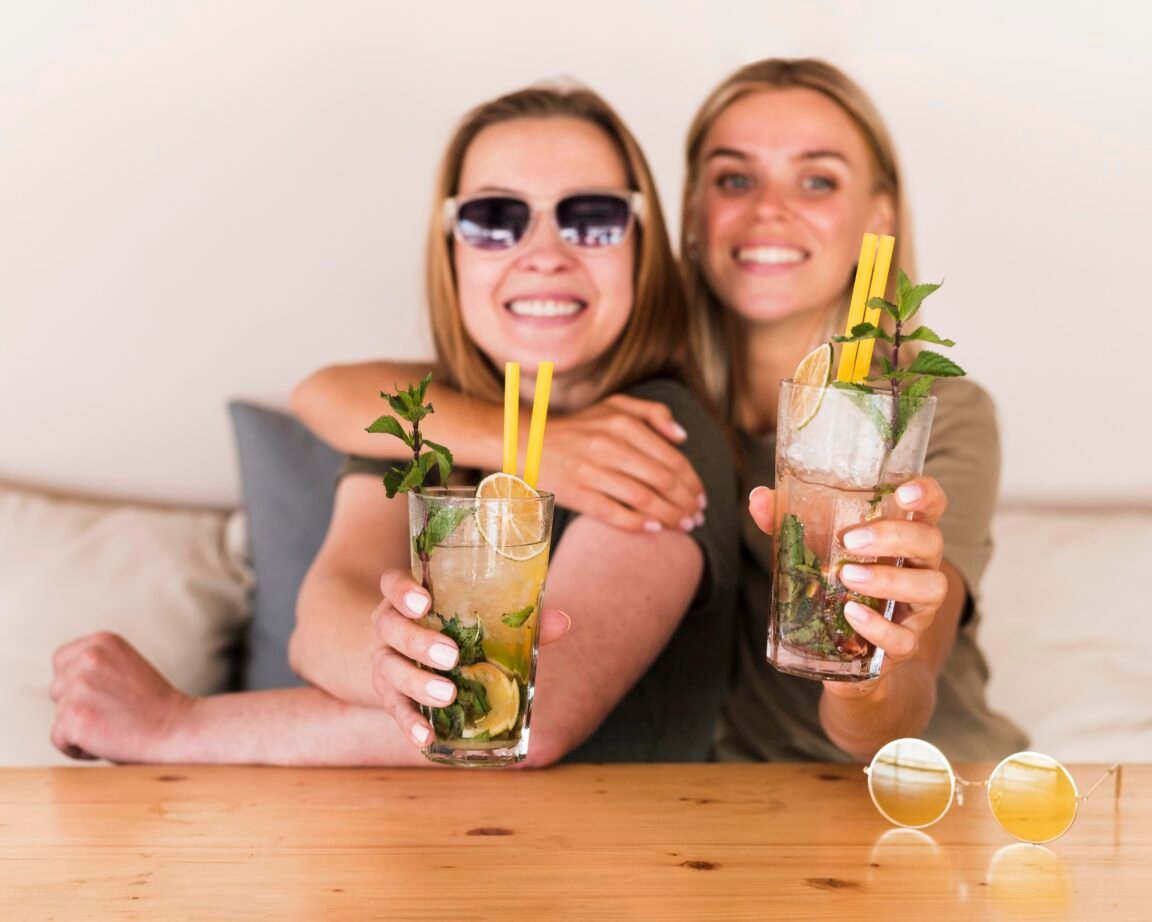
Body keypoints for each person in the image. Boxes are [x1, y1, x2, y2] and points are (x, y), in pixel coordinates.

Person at [294, 59, 1026, 764]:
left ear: (879, 216)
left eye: (817, 179)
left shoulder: (926, 417)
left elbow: (894, 710)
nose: (769, 209)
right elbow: (328, 394)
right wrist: (536, 445)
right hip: (728, 814)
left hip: (923, 787)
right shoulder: (645, 381)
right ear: (692, 217)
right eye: (735, 178)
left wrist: (865, 661)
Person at [49, 84, 738, 766]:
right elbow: (318, 628)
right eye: (495, 218)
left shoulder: (660, 431)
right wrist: (395, 661)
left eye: (592, 217)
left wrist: (174, 727)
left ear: (641, 247)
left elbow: (528, 718)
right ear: (453, 250)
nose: (546, 253)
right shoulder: (433, 416)